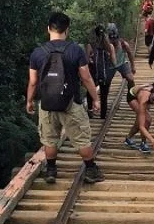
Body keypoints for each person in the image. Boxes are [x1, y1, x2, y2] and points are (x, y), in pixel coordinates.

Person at [27, 11, 104, 185]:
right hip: (71, 103)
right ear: (67, 30)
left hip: (47, 104)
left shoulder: (38, 53)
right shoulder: (75, 50)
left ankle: (51, 170)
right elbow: (85, 77)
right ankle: (91, 170)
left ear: (48, 29)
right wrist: (95, 98)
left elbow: (33, 82)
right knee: (82, 138)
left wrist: (29, 101)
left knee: (49, 138)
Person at [86, 25, 116, 119]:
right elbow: (114, 61)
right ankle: (103, 115)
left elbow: (86, 60)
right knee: (104, 96)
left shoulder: (90, 45)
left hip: (93, 74)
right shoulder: (109, 46)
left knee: (90, 92)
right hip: (105, 74)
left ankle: (90, 110)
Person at [107, 23, 136, 90]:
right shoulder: (106, 45)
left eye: (115, 39)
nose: (114, 41)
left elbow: (130, 54)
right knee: (106, 82)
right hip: (110, 65)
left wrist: (133, 66)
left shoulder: (124, 44)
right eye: (112, 39)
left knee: (131, 79)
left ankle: (131, 94)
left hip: (122, 63)